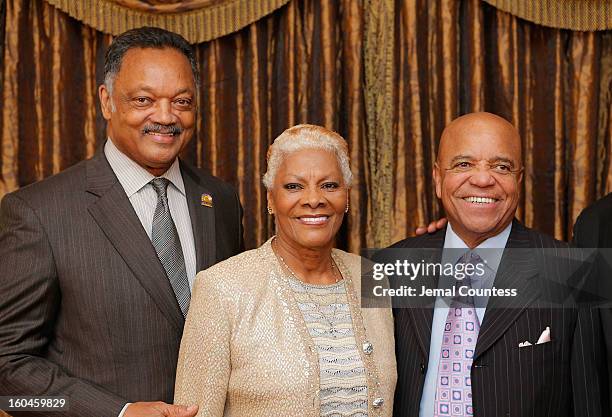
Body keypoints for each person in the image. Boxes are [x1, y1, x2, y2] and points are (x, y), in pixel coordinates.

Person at [0, 27, 243, 417]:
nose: (165, 117)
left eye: (181, 101)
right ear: (107, 101)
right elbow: (6, 375)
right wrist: (117, 412)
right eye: (144, 100)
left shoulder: (222, 201)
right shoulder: (39, 213)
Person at [390, 112, 606, 417]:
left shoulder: (573, 272)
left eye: (501, 166)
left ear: (518, 180)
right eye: (463, 164)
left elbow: (588, 401)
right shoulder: (389, 268)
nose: (482, 179)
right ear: (438, 179)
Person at [174, 124, 397, 416]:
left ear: (347, 196)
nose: (314, 199)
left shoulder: (371, 276)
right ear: (270, 199)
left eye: (329, 185)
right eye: (294, 186)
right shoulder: (222, 288)